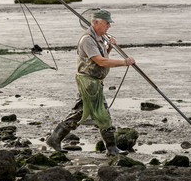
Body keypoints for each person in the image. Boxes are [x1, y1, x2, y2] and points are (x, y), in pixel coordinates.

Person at [46, 9, 135, 156]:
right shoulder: (87, 39)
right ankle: (111, 148)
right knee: (101, 113)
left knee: (80, 112)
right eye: (107, 23)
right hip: (88, 82)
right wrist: (124, 62)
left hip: (95, 82)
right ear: (96, 23)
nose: (109, 26)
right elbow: (100, 61)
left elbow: (102, 55)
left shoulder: (99, 38)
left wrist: (110, 47)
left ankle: (54, 139)